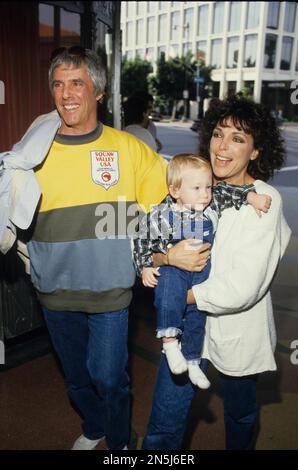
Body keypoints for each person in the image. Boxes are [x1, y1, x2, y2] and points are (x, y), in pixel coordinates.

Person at [1, 46, 170, 451]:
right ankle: (94, 426)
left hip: (110, 289)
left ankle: (119, 442)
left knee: (110, 377)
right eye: (58, 85)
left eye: (77, 82)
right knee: (76, 376)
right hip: (54, 289)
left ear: (97, 90)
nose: (66, 93)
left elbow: (163, 211)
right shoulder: (32, 153)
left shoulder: (128, 149)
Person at [142, 95, 291, 450]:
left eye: (238, 139)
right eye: (218, 134)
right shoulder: (192, 181)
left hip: (236, 328)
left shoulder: (265, 201)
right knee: (164, 423)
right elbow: (151, 243)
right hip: (184, 331)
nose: (222, 147)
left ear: (256, 151)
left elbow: (243, 288)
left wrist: (176, 296)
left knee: (239, 414)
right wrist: (163, 260)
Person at [133, 154, 271, 390]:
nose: (205, 193)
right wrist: (145, 266)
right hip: (174, 271)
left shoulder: (211, 203)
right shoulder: (161, 215)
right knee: (167, 292)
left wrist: (252, 197)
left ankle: (193, 360)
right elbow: (141, 241)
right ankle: (169, 342)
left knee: (198, 318)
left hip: (201, 272)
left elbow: (229, 192)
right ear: (175, 191)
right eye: (197, 188)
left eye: (208, 186)